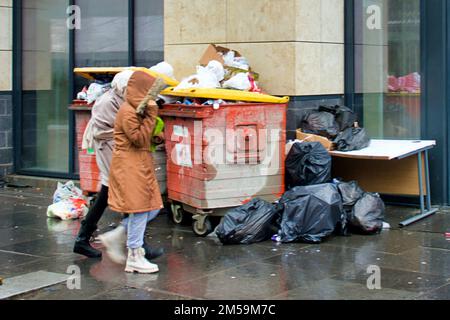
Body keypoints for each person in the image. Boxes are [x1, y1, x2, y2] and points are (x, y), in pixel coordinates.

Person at [73, 70, 163, 262]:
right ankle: (130, 242)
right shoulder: (107, 102)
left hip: (120, 149)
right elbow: (111, 131)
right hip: (108, 148)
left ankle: (131, 241)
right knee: (124, 191)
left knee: (121, 192)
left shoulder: (123, 100)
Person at [99, 71, 167, 274]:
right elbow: (138, 139)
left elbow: (144, 137)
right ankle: (135, 255)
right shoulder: (128, 111)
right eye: (150, 92)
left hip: (139, 163)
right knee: (139, 208)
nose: (153, 97)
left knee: (152, 206)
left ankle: (120, 233)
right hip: (130, 165)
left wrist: (155, 134)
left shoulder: (137, 110)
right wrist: (152, 115)